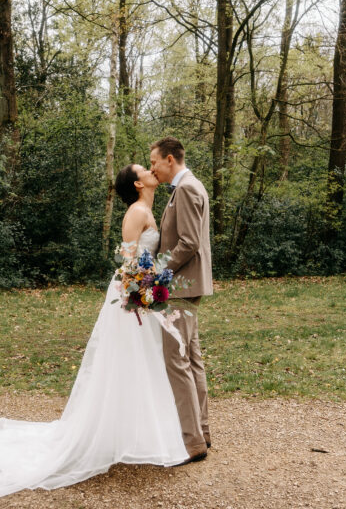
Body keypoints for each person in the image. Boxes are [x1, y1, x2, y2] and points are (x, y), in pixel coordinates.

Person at [0, 163, 189, 498]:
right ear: (138, 183)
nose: (152, 169)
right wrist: (140, 291)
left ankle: (136, 435)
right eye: (145, 169)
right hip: (131, 294)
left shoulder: (148, 208)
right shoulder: (136, 212)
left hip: (142, 292)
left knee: (140, 362)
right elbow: (128, 260)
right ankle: (111, 435)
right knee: (125, 362)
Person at [149, 137, 213, 464]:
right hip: (189, 287)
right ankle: (200, 431)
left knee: (177, 361)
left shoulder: (185, 189)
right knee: (192, 359)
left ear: (170, 159)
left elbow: (188, 243)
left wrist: (159, 270)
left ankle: (192, 443)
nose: (153, 169)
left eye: (154, 163)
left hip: (181, 287)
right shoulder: (189, 186)